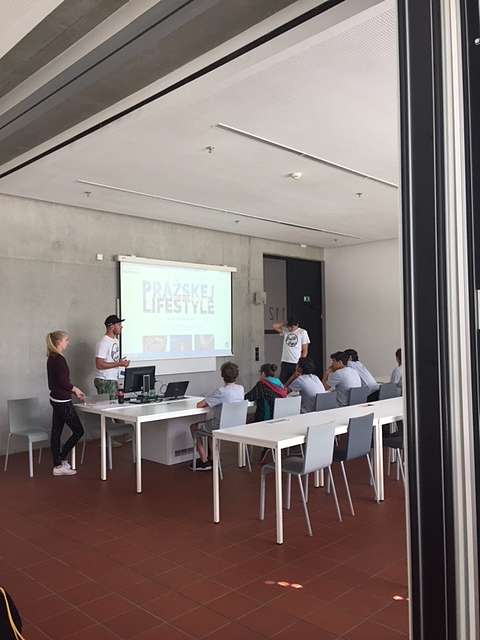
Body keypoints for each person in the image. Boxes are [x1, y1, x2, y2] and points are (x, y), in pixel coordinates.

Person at [190, 361, 244, 470]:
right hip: (237, 425)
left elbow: (200, 405)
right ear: (236, 375)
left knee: (193, 427)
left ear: (222, 375)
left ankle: (204, 461)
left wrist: (208, 397)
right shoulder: (241, 388)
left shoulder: (221, 391)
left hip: (220, 426)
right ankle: (213, 458)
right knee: (211, 432)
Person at [46, 331, 85, 476]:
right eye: (66, 340)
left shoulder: (52, 357)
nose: (68, 342)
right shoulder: (59, 359)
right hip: (62, 402)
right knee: (79, 431)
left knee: (56, 432)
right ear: (58, 342)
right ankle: (61, 459)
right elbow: (63, 382)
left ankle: (58, 465)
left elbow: (58, 382)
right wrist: (76, 389)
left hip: (56, 399)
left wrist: (73, 392)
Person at [94, 315, 130, 398]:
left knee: (115, 402)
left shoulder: (115, 340)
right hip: (105, 380)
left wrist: (120, 362)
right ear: (112, 326)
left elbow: (111, 360)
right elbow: (99, 365)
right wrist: (119, 364)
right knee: (110, 403)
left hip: (112, 379)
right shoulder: (104, 342)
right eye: (119, 324)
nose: (121, 327)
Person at [272, 318, 310, 383]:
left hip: (296, 362)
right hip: (285, 362)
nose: (290, 329)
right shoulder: (286, 331)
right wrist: (285, 323)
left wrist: (301, 364)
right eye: (289, 327)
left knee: (295, 382)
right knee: (283, 382)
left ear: (297, 325)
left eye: (292, 327)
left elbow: (305, 350)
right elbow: (274, 326)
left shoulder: (302, 332)